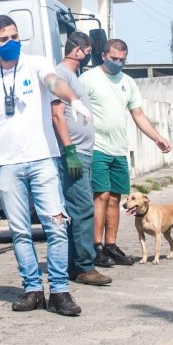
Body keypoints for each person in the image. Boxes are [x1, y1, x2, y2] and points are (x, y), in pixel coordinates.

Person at [0, 15, 92, 317]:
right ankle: (31, 289)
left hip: (42, 159)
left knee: (56, 226)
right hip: (7, 164)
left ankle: (60, 291)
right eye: (4, 39)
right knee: (19, 231)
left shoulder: (38, 63)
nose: (12, 43)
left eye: (16, 37)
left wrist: (74, 100)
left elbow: (53, 83)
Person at [79, 38, 172, 268]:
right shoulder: (88, 79)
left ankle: (111, 245)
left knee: (115, 199)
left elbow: (138, 114)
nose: (118, 63)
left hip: (119, 149)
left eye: (122, 60)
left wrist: (157, 137)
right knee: (100, 196)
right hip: (96, 147)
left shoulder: (128, 82)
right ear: (103, 55)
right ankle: (96, 247)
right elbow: (73, 109)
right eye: (114, 59)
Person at [51, 32, 112, 286]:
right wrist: (70, 150)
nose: (89, 56)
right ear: (77, 50)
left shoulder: (73, 77)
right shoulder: (60, 75)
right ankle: (85, 266)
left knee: (78, 209)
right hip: (73, 155)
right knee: (82, 208)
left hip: (83, 153)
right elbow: (57, 115)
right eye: (88, 52)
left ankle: (75, 265)